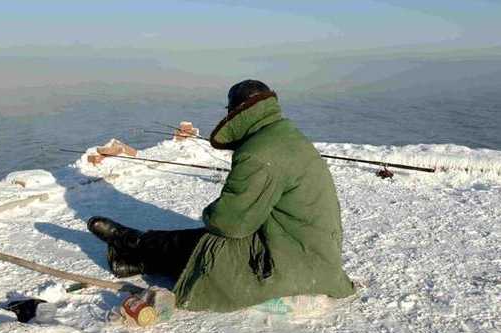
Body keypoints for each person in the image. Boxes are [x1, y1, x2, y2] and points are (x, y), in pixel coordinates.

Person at [88, 80, 355, 312]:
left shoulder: (259, 153)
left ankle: (129, 241)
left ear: (237, 112)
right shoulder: (284, 135)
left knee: (207, 245)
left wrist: (209, 213)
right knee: (199, 242)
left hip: (291, 263)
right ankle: (132, 259)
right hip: (312, 252)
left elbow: (231, 223)